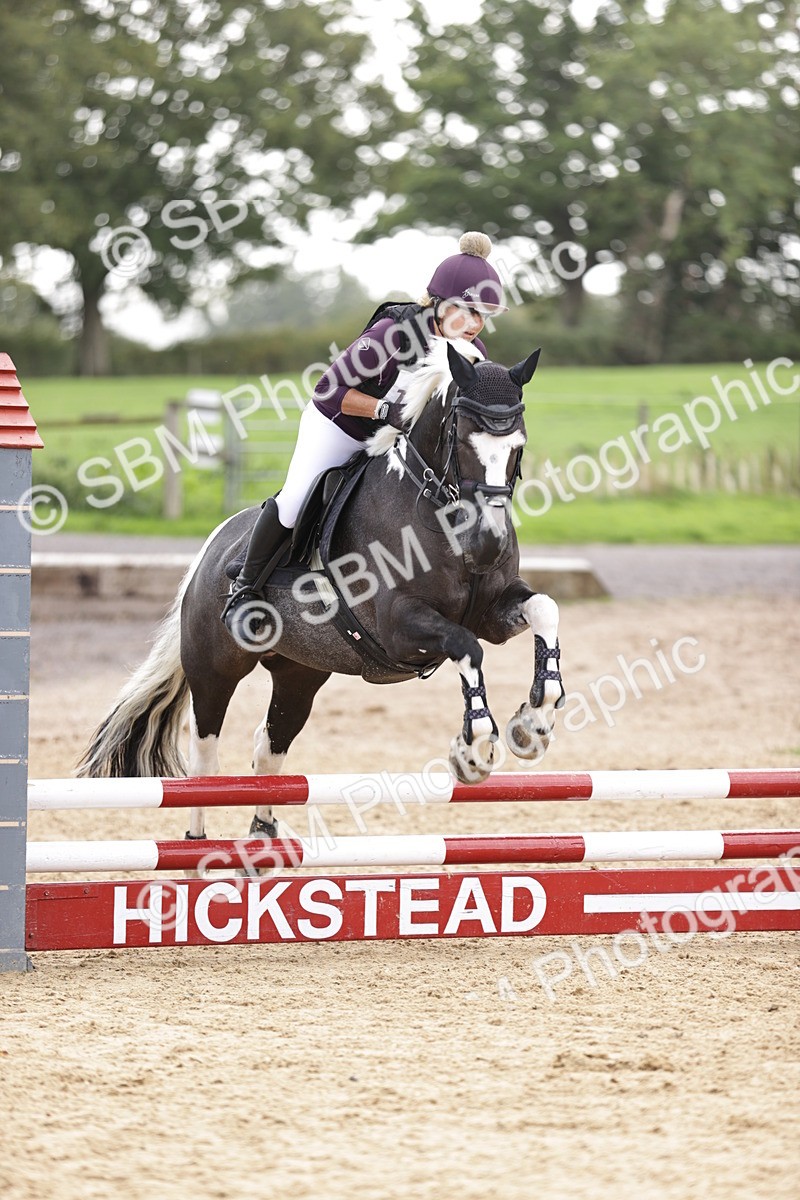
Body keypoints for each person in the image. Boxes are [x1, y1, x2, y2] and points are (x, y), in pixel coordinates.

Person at [221, 231, 508, 640]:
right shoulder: (392, 335)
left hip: (394, 440)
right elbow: (327, 389)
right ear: (438, 303)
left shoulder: (472, 351)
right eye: (467, 311)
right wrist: (383, 410)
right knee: (296, 500)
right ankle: (244, 589)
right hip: (341, 426)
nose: (475, 324)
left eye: (482, 316)